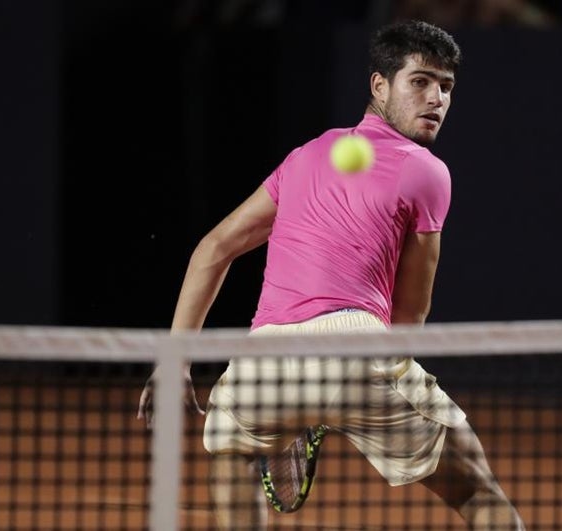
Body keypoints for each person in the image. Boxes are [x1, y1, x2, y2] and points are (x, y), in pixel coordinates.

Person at [138, 19, 525, 530]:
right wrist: (343, 377)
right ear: (379, 84)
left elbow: (214, 248)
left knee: (232, 453)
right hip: (357, 347)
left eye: (446, 87)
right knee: (477, 489)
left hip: (265, 358)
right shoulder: (428, 171)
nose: (437, 98)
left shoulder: (302, 158)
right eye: (421, 81)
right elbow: (412, 310)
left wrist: (176, 361)